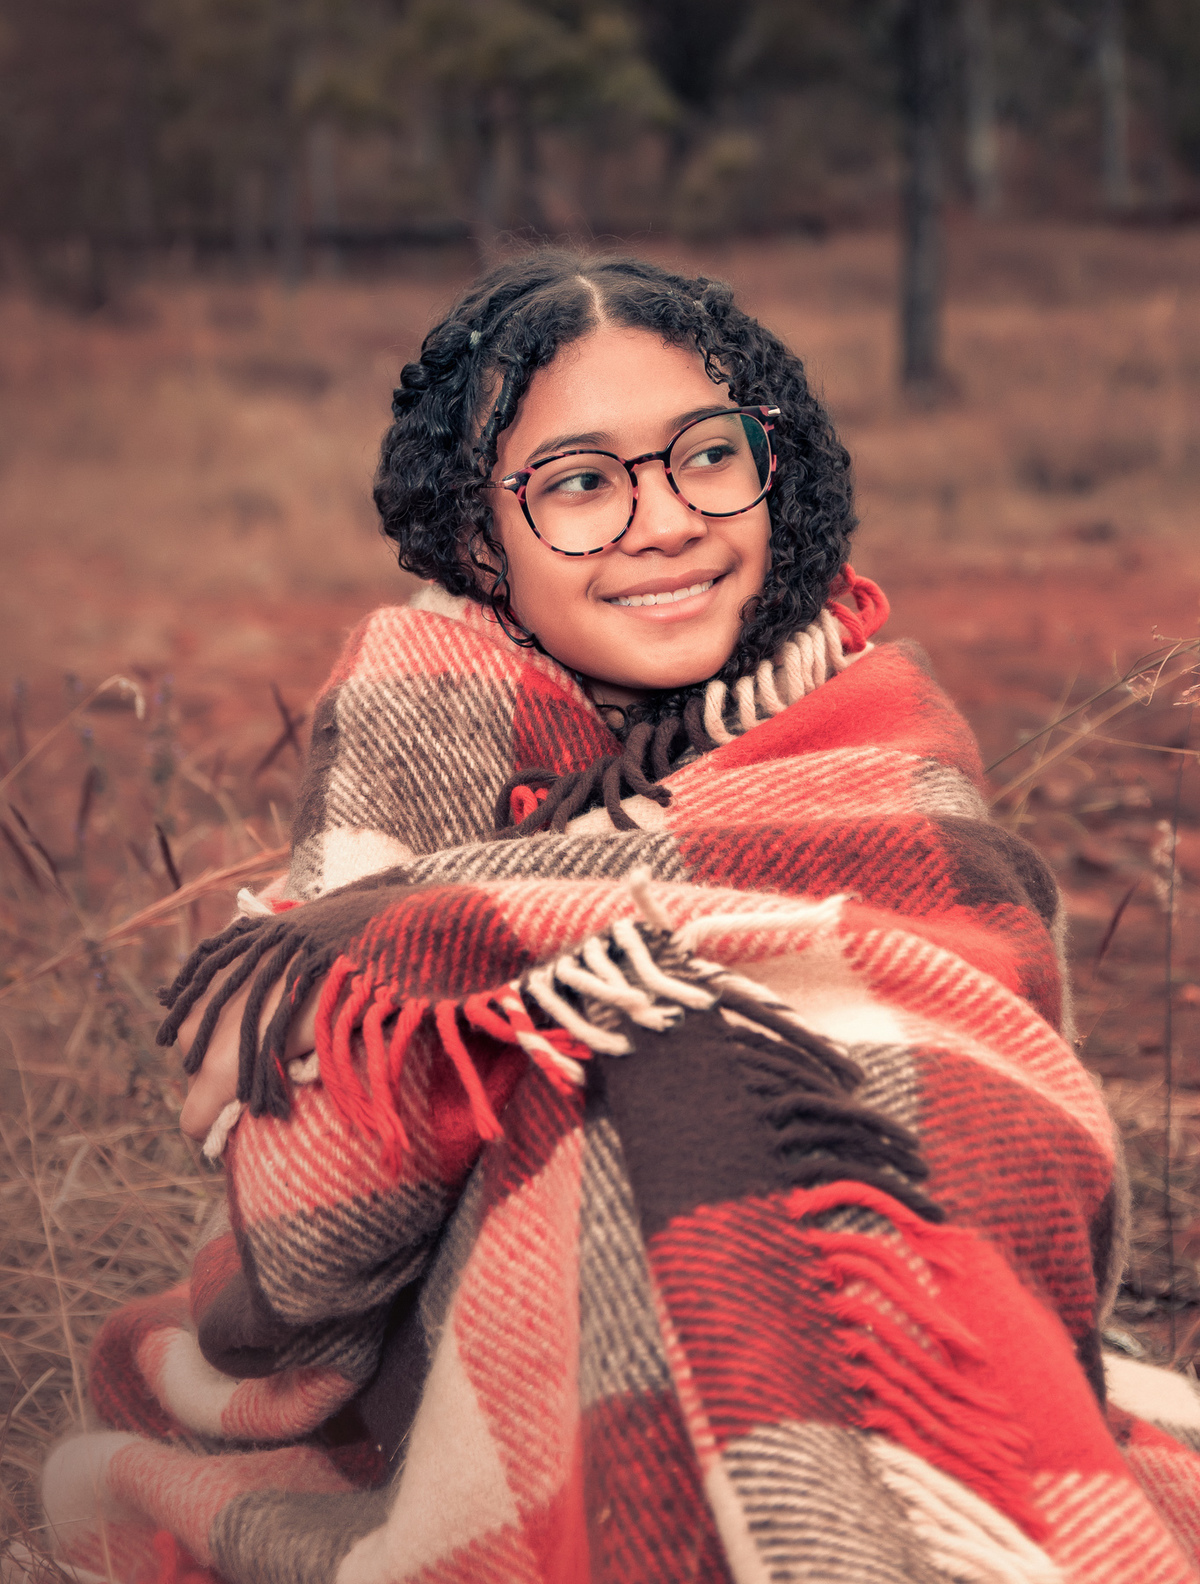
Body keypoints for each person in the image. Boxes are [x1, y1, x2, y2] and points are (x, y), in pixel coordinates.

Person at [41, 253, 1200, 1584]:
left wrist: (423, 944)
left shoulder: (877, 718)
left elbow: (996, 1087)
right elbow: (311, 1231)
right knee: (667, 1096)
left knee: (704, 1093)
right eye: (582, 484)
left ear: (779, 466)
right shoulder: (420, 706)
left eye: (708, 456)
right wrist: (415, 985)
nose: (662, 524)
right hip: (521, 1324)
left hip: (914, 1294)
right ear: (482, 535)